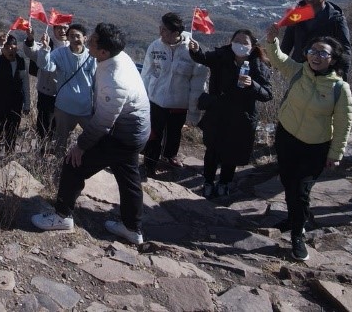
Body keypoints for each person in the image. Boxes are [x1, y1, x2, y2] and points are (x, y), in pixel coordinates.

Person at [31, 23, 149, 245]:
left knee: (73, 164)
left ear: (102, 51)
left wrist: (80, 146)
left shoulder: (114, 80)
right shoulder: (118, 57)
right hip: (137, 131)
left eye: (92, 41)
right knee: (128, 177)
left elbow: (103, 123)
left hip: (123, 134)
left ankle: (62, 216)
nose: (88, 41)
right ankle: (132, 228)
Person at [264, 24, 352, 262]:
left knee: (301, 191)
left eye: (323, 53)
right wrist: (272, 40)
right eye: (313, 51)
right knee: (287, 181)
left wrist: (335, 153)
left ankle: (298, 234)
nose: (316, 56)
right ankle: (293, 218)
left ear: (333, 59)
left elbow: (344, 123)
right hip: (287, 137)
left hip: (315, 146)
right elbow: (278, 58)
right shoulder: (298, 72)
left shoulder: (339, 88)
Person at [188, 30, 274, 197]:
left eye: (244, 42)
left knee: (231, 152)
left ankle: (224, 183)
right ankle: (208, 181)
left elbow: (267, 94)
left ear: (252, 46)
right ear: (231, 41)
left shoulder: (258, 65)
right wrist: (196, 50)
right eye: (237, 40)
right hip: (217, 112)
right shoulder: (221, 56)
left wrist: (252, 84)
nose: (240, 44)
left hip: (241, 117)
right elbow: (202, 58)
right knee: (212, 150)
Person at [140, 13, 208, 179]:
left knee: (174, 132)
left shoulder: (191, 51)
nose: (160, 32)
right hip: (156, 99)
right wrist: (142, 98)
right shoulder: (155, 46)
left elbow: (198, 84)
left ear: (176, 33)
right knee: (153, 133)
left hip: (179, 102)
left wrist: (194, 111)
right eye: (160, 28)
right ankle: (149, 163)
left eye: (164, 30)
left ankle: (170, 156)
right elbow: (146, 73)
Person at [29, 23, 96, 154]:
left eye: (77, 36)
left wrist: (97, 105)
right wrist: (45, 49)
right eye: (71, 36)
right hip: (64, 107)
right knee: (60, 141)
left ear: (85, 38)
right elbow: (46, 66)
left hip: (86, 108)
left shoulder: (91, 56)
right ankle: (59, 163)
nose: (75, 39)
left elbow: (95, 82)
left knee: (93, 138)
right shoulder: (60, 53)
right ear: (68, 38)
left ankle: (88, 162)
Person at [279, 0, 352, 78]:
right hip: (299, 69)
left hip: (324, 72)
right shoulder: (297, 15)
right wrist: (280, 64)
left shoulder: (335, 19)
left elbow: (345, 49)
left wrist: (342, 75)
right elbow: (287, 42)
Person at [0, 33, 32, 156]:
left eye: (13, 47)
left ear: (17, 47)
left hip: (15, 105)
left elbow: (25, 84)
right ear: (3, 49)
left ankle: (9, 156)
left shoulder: (21, 62)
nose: (11, 50)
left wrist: (27, 103)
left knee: (12, 132)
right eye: (7, 47)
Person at [28, 23, 68, 146]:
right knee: (44, 126)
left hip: (65, 95)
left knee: (60, 126)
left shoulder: (71, 48)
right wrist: (30, 40)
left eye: (65, 28)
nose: (62, 31)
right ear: (54, 30)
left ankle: (55, 151)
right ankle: (42, 150)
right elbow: (32, 53)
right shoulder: (47, 44)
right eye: (59, 28)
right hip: (46, 93)